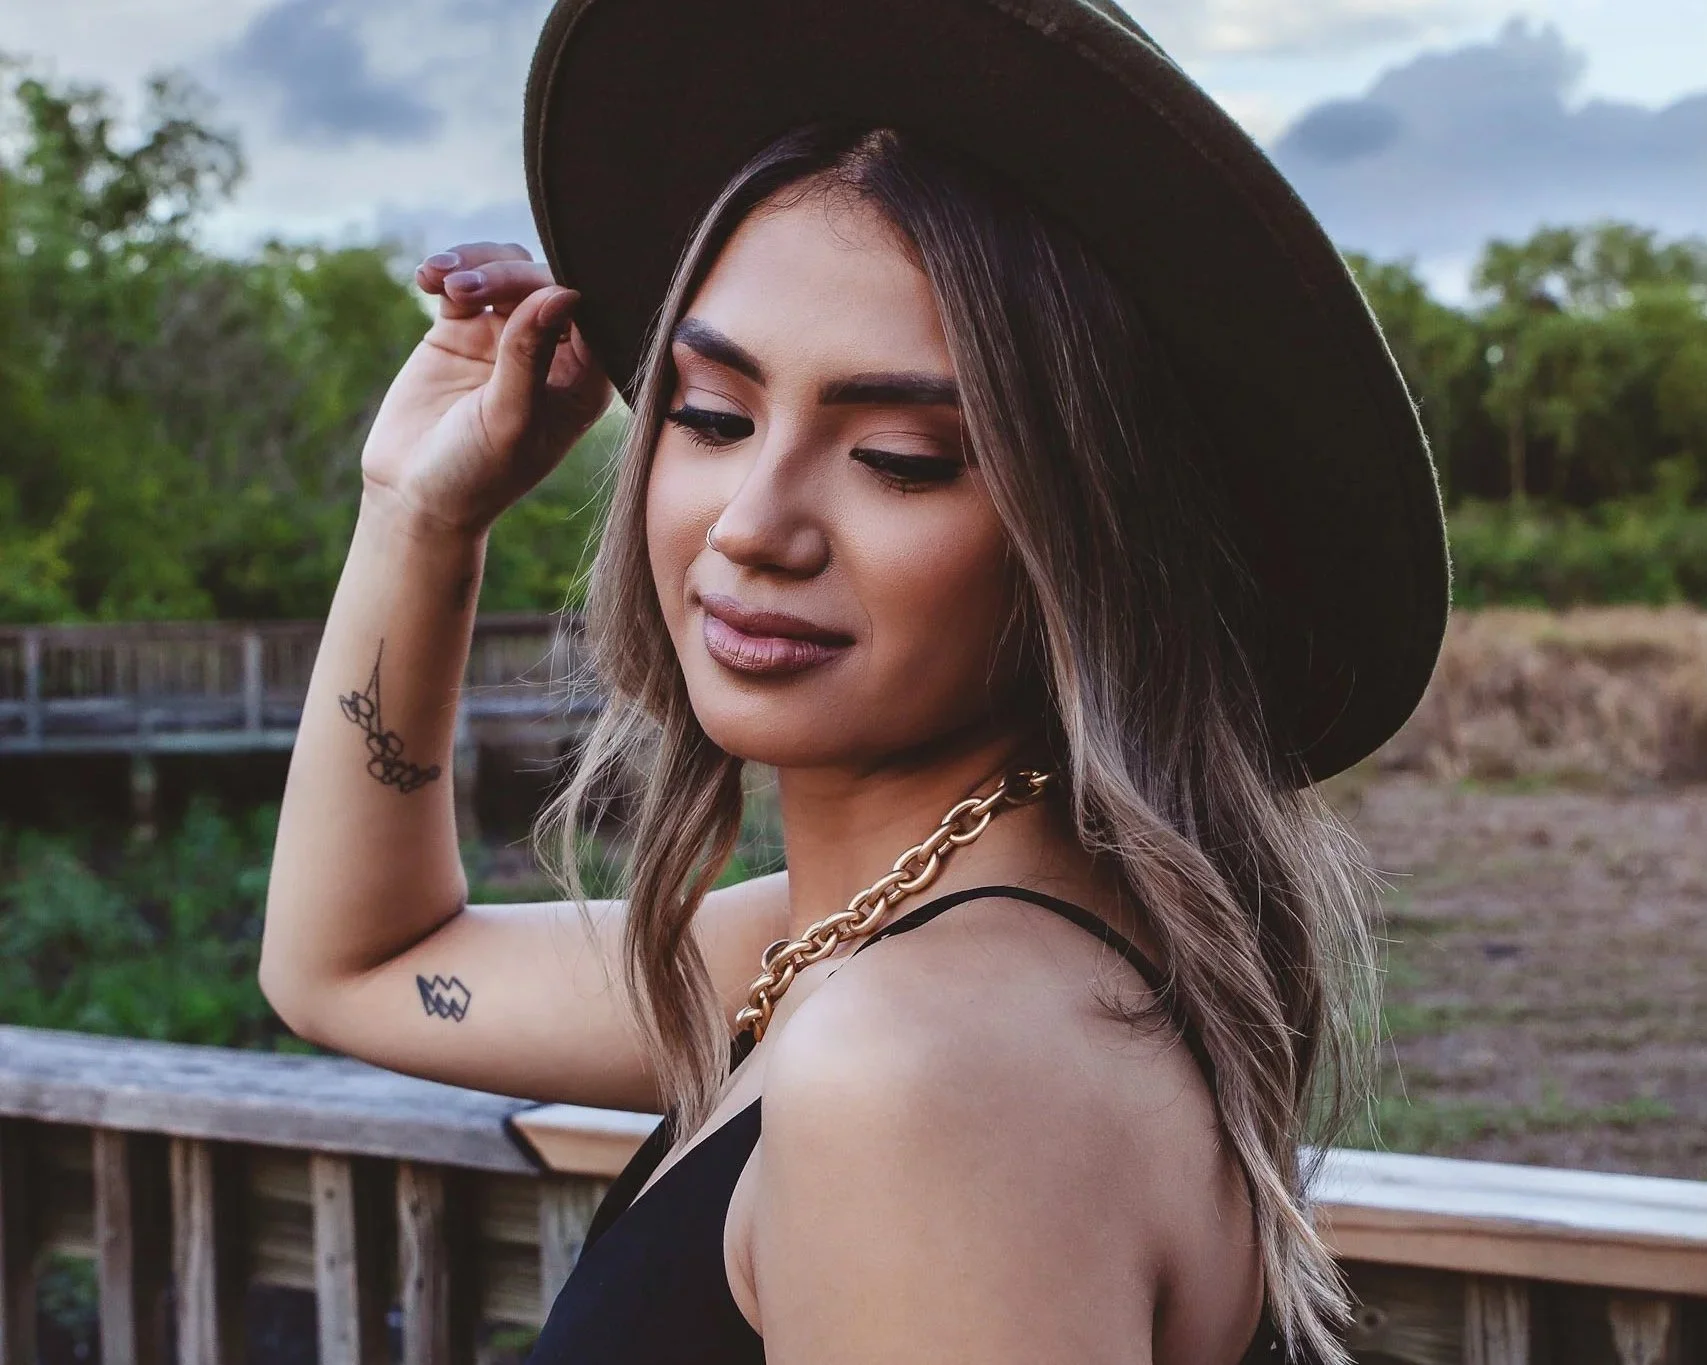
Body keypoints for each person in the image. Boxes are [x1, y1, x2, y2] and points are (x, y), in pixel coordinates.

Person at [260, 3, 1449, 1363]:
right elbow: (357, 969)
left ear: (1090, 534)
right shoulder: (861, 950)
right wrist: (419, 515)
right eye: (711, 415)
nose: (752, 524)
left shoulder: (921, 1064)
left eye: (901, 459)